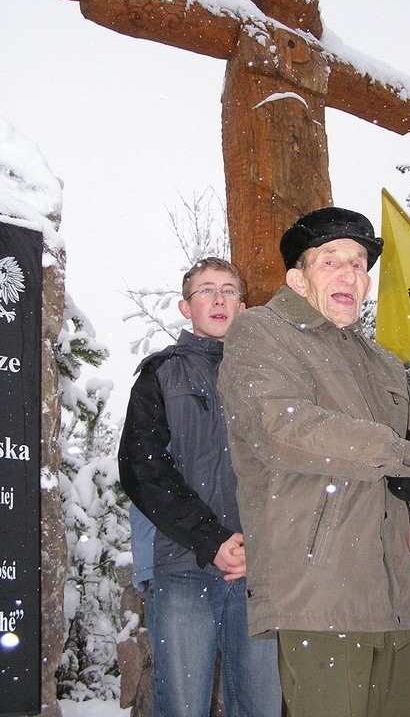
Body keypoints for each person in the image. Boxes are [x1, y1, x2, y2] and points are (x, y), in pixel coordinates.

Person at [11, 0, 410, 306]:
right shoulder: (244, 26)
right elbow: (163, 5)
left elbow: (376, 89)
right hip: (259, 191)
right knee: (271, 283)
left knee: (318, 280)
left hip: (313, 194)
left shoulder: (325, 59)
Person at [218, 207, 410, 717]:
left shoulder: (381, 361)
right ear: (297, 278)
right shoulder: (260, 333)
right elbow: (283, 428)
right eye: (330, 261)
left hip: (392, 593)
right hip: (319, 592)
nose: (349, 274)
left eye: (358, 264)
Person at [118, 257, 281, 717]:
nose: (218, 298)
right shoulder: (160, 374)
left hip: (257, 570)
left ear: (243, 307)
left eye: (229, 290)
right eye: (206, 290)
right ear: (185, 306)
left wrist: (260, 545)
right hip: (183, 565)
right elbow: (142, 469)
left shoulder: (266, 381)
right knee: (184, 706)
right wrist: (212, 541)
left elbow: (287, 469)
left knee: (262, 705)